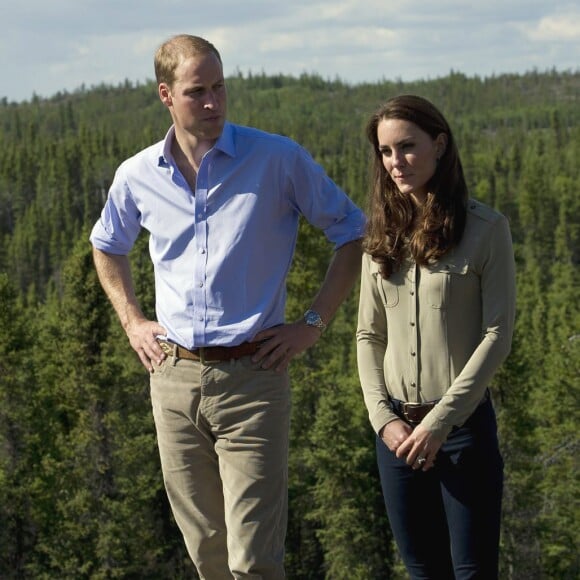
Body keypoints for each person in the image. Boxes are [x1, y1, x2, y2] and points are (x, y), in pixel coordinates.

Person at [90, 34, 365, 578]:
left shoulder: (278, 159)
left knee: (254, 560)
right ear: (166, 95)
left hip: (254, 376)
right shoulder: (138, 174)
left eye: (220, 87)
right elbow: (106, 245)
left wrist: (312, 324)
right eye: (198, 92)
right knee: (207, 553)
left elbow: (353, 232)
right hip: (172, 378)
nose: (214, 102)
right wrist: (133, 322)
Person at [356, 94, 516, 579]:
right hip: (397, 437)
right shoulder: (381, 234)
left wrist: (440, 423)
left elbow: (497, 333)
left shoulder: (487, 229)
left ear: (439, 145)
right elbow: (368, 335)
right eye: (385, 152)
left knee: (472, 572)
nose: (395, 162)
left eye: (407, 146)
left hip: (462, 433)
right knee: (422, 570)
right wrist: (385, 422)